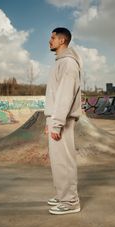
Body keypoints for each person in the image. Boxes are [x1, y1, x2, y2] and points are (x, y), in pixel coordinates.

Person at [44, 27, 82, 215]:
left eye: (52, 38)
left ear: (62, 40)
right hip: (55, 118)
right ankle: (62, 195)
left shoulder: (68, 63)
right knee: (57, 162)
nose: (49, 41)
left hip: (63, 120)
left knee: (65, 161)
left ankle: (71, 201)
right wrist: (49, 121)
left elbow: (65, 96)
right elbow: (53, 96)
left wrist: (57, 123)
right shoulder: (59, 62)